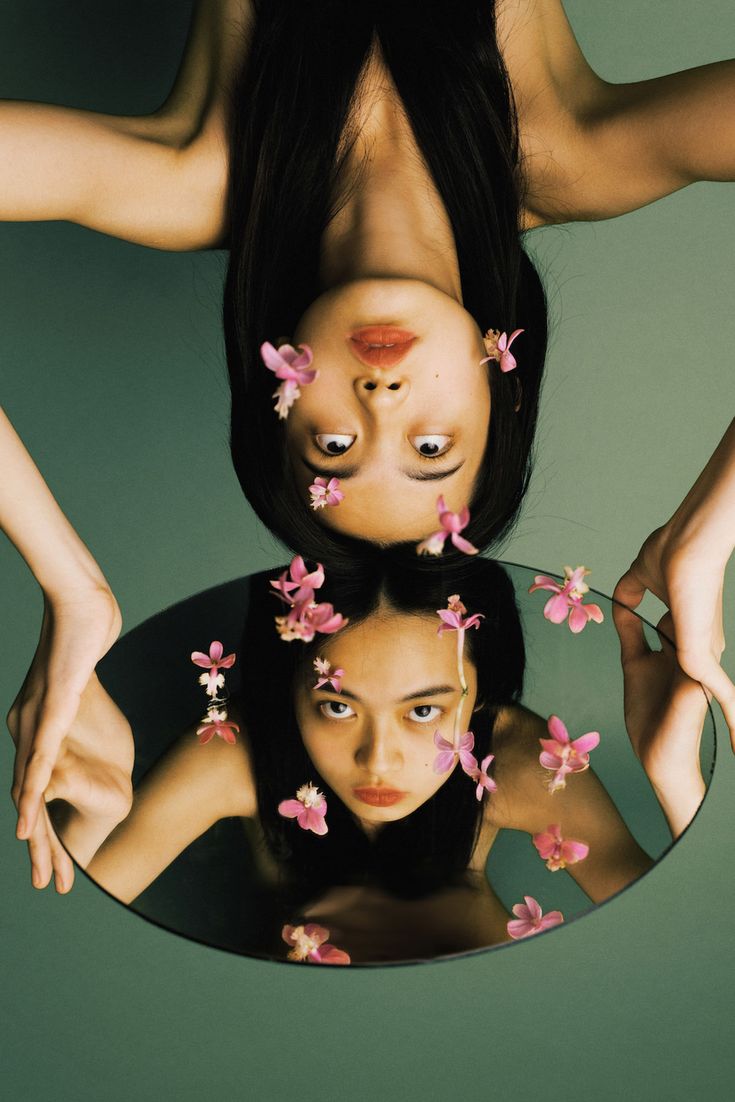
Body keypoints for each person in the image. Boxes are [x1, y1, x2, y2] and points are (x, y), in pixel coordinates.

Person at [3, 0, 735, 883]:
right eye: (431, 449)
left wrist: (70, 583)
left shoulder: (192, 176)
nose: (383, 400)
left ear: (275, 393)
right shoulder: (573, 151)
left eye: (336, 445)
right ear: (495, 384)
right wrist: (704, 536)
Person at [47, 556, 668, 962]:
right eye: (338, 707)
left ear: (483, 695)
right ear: (284, 688)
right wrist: (96, 816)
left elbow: (673, 946)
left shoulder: (522, 764)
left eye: (423, 711)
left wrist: (674, 776)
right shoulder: (237, 753)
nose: (378, 760)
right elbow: (55, 931)